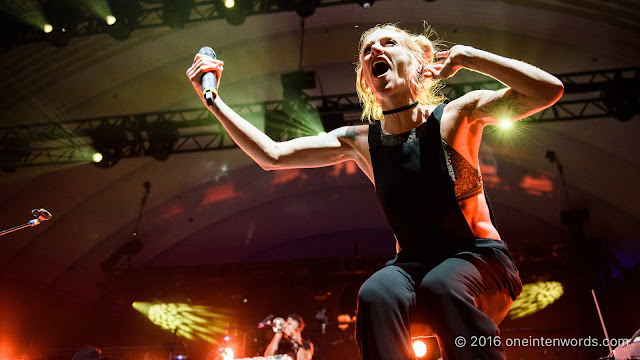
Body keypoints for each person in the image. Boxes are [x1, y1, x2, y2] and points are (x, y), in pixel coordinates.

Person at [187, 23, 563, 360]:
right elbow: (272, 155)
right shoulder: (363, 141)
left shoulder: (457, 115)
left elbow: (548, 90)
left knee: (441, 286)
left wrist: (470, 57)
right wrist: (213, 101)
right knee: (375, 293)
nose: (374, 51)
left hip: (478, 260)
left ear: (417, 64)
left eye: (388, 43)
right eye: (367, 49)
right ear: (367, 82)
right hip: (413, 266)